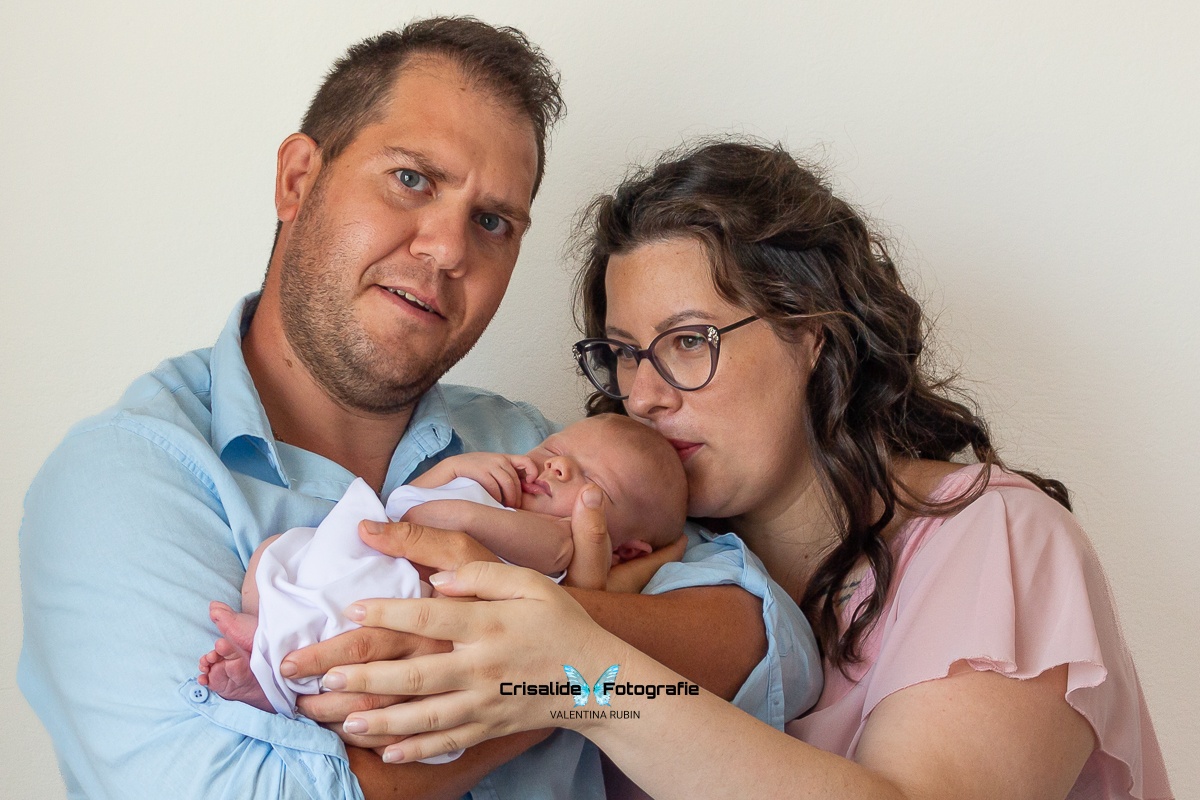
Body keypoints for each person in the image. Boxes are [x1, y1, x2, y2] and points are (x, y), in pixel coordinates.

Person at [18, 20, 820, 800]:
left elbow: (766, 641)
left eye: (493, 221)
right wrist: (554, 680)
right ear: (299, 180)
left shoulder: (536, 448)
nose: (448, 248)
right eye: (412, 179)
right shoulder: (126, 484)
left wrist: (559, 650)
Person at [315, 140, 1175, 800]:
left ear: (813, 334)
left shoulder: (995, 539)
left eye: (689, 341)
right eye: (623, 354)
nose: (644, 395)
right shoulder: (662, 568)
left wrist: (583, 676)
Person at [198, 414, 688, 720]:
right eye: (555, 451)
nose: (557, 469)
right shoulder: (497, 481)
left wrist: (462, 513)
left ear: (623, 549)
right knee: (273, 553)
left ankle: (269, 675)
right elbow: (404, 504)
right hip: (366, 554)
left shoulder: (561, 544)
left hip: (407, 593)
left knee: (360, 635)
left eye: (593, 482)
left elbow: (441, 522)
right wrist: (454, 469)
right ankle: (266, 634)